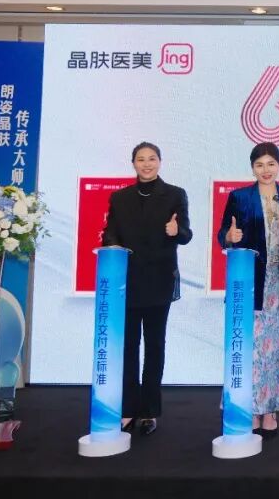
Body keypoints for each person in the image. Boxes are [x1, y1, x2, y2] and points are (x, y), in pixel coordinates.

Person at [102, 141, 192, 437]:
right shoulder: (120, 198)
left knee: (154, 346)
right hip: (126, 282)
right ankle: (128, 408)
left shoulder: (175, 195)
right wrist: (112, 245)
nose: (147, 164)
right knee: (128, 346)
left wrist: (176, 231)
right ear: (133, 164)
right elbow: (110, 233)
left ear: (159, 162)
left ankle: (149, 410)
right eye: (141, 159)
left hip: (159, 281)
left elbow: (186, 234)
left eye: (152, 158)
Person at [217, 141, 279, 438]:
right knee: (250, 348)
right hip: (250, 283)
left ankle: (271, 410)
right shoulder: (240, 197)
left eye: (271, 164)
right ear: (252, 168)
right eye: (259, 165)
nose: (266, 170)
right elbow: (223, 235)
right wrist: (230, 237)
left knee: (276, 349)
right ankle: (250, 408)